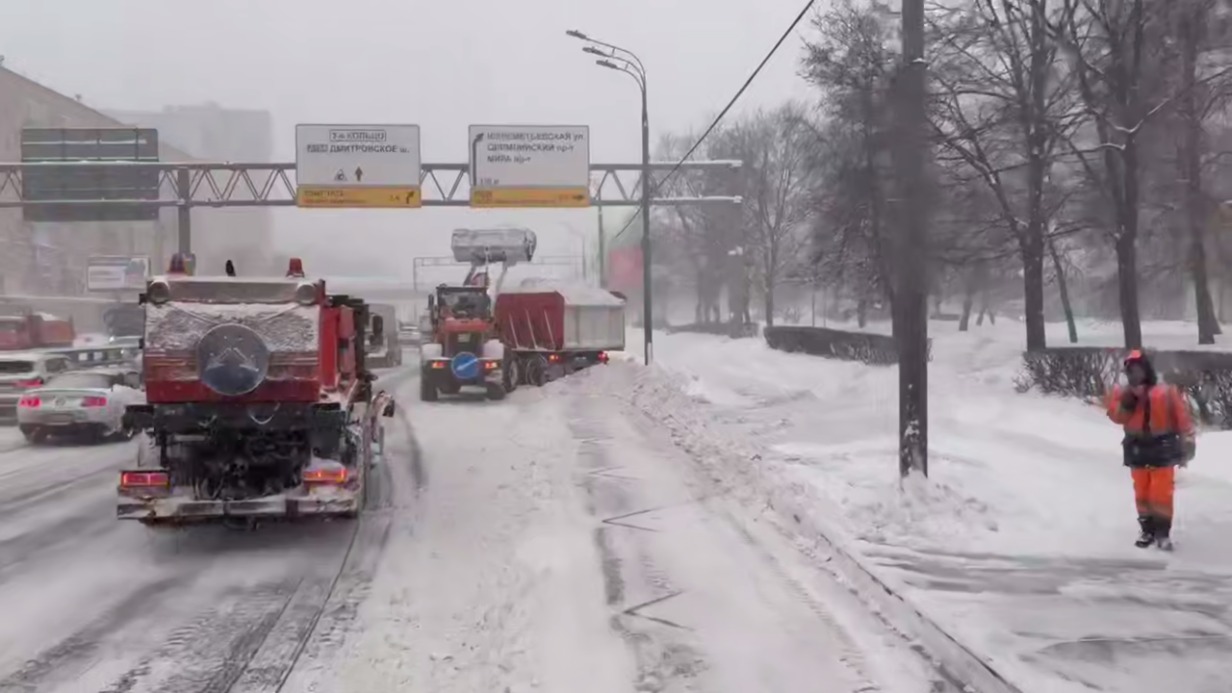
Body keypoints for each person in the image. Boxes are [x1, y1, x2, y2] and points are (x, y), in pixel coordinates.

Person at [1105, 350, 1196, 550]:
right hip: (1136, 447)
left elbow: (1182, 417)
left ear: (1146, 370)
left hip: (1162, 447)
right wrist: (1128, 402)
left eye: (1138, 369)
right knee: (1142, 492)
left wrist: (1188, 439)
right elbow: (1115, 416)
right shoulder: (1123, 393)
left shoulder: (1165, 392)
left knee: (1161, 492)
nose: (1134, 374)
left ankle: (1163, 533)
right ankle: (1147, 530)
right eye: (1130, 371)